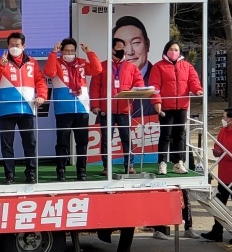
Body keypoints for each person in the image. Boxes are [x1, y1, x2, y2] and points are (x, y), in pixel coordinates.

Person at [0, 32, 48, 184]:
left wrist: (42, 95)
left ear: (23, 46)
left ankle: (31, 173)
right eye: (11, 45)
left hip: (27, 108)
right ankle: (9, 174)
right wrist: (0, 65)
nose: (14, 48)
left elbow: (40, 80)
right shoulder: (0, 61)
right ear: (7, 46)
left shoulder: (32, 62)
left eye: (17, 45)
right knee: (7, 144)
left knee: (30, 143)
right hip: (6, 109)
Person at [43, 38, 102, 181]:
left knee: (82, 142)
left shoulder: (81, 63)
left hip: (82, 108)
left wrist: (89, 53)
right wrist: (53, 53)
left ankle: (81, 171)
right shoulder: (56, 62)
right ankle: (61, 170)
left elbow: (97, 69)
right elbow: (49, 73)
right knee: (62, 142)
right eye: (66, 51)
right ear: (62, 51)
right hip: (63, 109)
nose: (70, 53)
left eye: (72, 51)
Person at [89, 38, 145, 175]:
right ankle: (107, 166)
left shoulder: (132, 67)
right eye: (119, 47)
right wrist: (95, 105)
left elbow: (139, 84)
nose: (122, 50)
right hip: (106, 110)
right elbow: (95, 87)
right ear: (112, 49)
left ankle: (129, 165)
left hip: (125, 110)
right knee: (107, 139)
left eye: (123, 47)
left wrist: (137, 90)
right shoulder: (102, 67)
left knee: (126, 138)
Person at [149, 40, 204, 175]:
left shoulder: (187, 66)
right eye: (171, 49)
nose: (173, 52)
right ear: (166, 50)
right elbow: (154, 86)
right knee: (165, 135)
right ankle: (162, 162)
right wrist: (157, 102)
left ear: (180, 52)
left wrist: (198, 90)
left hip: (182, 106)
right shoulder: (158, 66)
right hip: (166, 107)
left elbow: (193, 81)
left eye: (176, 50)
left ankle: (178, 162)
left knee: (179, 135)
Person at [201, 108, 232, 244]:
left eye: (224, 117)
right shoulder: (223, 131)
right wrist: (217, 151)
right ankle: (217, 232)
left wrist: (223, 153)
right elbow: (218, 143)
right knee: (218, 205)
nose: (223, 119)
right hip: (223, 175)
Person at [113, 16, 156, 117]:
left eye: (135, 43)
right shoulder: (110, 73)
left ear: (147, 44)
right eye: (121, 46)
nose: (130, 52)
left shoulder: (158, 75)